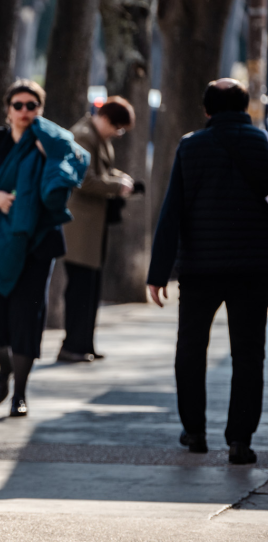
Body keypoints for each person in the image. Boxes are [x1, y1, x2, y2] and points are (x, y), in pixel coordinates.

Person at [147, 78, 268, 465]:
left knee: (190, 349)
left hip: (199, 268)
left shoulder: (191, 146)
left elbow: (172, 212)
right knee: (248, 355)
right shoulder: (264, 145)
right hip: (253, 270)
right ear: (246, 107)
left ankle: (195, 432)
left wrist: (158, 272)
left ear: (206, 110)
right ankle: (240, 441)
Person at [0, 79, 87, 417]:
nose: (25, 111)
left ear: (40, 110)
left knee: (27, 319)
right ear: (8, 109)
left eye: (32, 105)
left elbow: (68, 179)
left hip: (37, 244)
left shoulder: (52, 143)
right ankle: (4, 367)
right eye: (18, 105)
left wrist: (51, 158)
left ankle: (20, 393)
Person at [58, 97, 136, 362]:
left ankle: (84, 343)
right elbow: (85, 180)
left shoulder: (95, 136)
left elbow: (101, 170)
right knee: (80, 288)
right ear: (106, 119)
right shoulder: (83, 136)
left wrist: (119, 178)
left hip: (92, 224)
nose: (117, 133)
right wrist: (117, 186)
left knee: (90, 288)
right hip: (80, 226)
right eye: (118, 128)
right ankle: (73, 345)